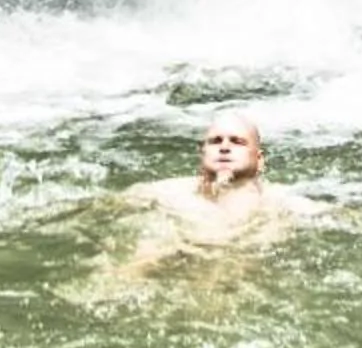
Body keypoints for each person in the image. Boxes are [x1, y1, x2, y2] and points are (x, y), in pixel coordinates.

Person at [120, 109, 316, 255]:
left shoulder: (280, 201)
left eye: (237, 141)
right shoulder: (169, 192)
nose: (224, 147)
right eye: (215, 141)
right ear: (203, 154)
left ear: (259, 160)